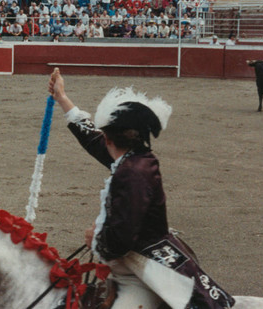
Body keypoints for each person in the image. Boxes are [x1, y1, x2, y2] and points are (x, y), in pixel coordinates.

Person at [48, 68, 235, 309]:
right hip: (148, 260)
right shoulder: (135, 157)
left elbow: (121, 238)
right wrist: (62, 99)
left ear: (108, 138)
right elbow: (91, 138)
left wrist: (95, 237)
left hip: (142, 266)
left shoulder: (131, 172)